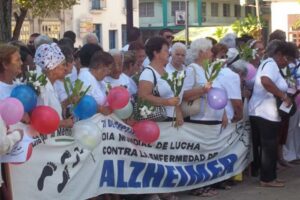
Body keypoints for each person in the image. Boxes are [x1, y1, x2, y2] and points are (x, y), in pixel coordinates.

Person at [138, 36, 180, 200]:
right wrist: (165, 102)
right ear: (156, 53)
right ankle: (151, 191)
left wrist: (178, 111)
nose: (168, 53)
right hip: (155, 121)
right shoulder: (148, 73)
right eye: (165, 50)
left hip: (168, 120)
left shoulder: (167, 71)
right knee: (153, 157)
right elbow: (143, 96)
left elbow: (175, 94)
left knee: (166, 157)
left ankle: (164, 188)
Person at [248, 40, 295, 187]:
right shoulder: (271, 65)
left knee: (269, 145)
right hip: (265, 112)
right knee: (269, 146)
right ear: (279, 54)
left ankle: (270, 176)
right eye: (287, 59)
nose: (287, 63)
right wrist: (283, 96)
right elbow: (265, 81)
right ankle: (267, 179)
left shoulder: (269, 64)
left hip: (263, 111)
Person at [0, 44, 25, 192]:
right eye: (17, 59)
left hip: (21, 155)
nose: (21, 63)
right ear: (4, 64)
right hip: (5, 159)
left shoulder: (20, 86)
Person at [34, 43, 74, 128]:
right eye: (63, 65)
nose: (65, 69)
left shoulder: (52, 85)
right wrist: (63, 123)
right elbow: (39, 120)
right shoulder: (42, 89)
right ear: (53, 67)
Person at [78, 51, 113, 116]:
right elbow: (82, 102)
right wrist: (100, 109)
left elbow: (109, 91)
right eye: (107, 69)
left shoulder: (101, 79)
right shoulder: (85, 77)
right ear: (99, 67)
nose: (108, 72)